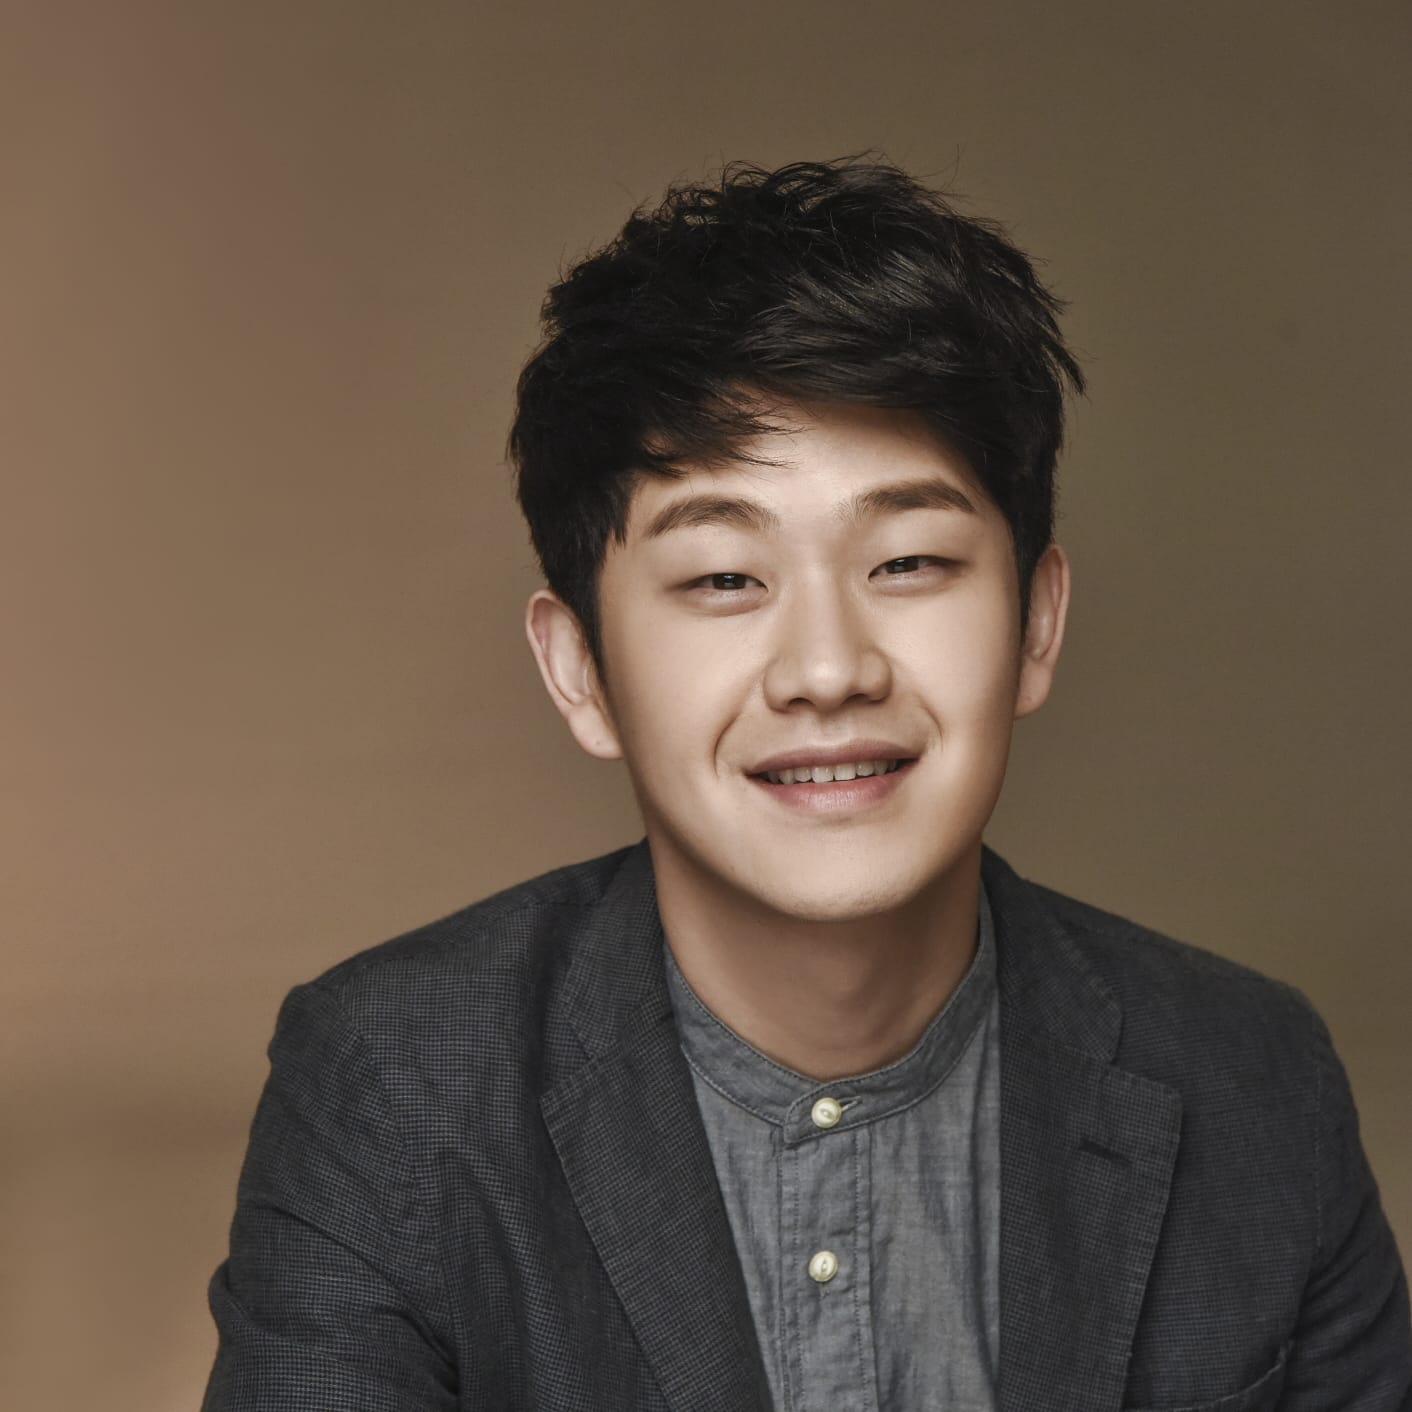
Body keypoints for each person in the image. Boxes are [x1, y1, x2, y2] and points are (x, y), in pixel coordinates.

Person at [202, 158, 1411, 1411]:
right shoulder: (394, 1085)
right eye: (723, 578)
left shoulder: (1252, 1080)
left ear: (1036, 623)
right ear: (579, 670)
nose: (828, 669)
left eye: (907, 561)